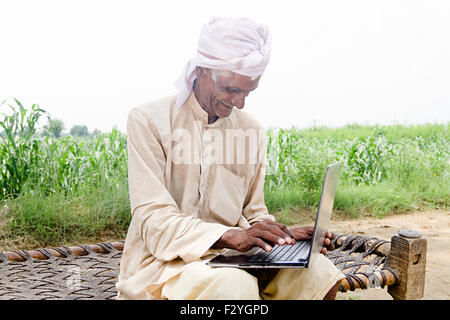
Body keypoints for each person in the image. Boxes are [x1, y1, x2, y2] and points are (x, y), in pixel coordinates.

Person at [116, 16, 345, 300]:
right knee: (232, 286)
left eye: (248, 92)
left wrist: (280, 236)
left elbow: (253, 212)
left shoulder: (250, 130)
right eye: (230, 89)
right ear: (201, 71)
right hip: (162, 265)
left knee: (319, 272)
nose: (239, 102)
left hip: (233, 258)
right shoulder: (148, 120)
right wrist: (227, 235)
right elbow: (153, 219)